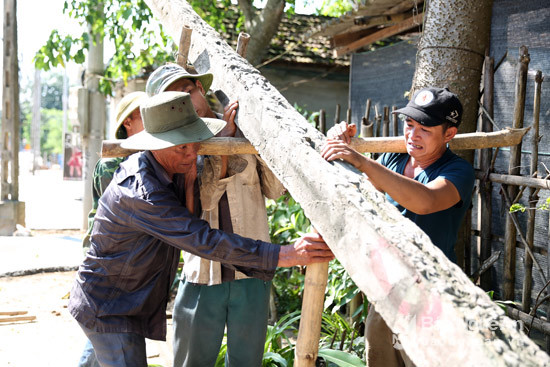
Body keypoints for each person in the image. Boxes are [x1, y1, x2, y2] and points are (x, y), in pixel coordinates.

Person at [69, 91, 333, 367]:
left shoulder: (165, 171)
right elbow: (201, 238)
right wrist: (287, 254)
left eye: (193, 143)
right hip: (110, 306)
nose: (191, 152)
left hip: (124, 300)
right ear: (155, 145)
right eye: (180, 147)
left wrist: (190, 177)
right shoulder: (142, 191)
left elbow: (189, 218)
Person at [321, 87, 475, 367]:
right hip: (387, 290)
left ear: (449, 134)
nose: (413, 135)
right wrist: (344, 147)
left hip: (431, 295)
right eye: (409, 124)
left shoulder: (457, 171)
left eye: (426, 129)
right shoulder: (393, 159)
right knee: (380, 359)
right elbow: (359, 194)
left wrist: (360, 159)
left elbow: (425, 201)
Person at [146, 63, 287, 367]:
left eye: (188, 91)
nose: (184, 102)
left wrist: (257, 139)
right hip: (202, 275)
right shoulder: (177, 151)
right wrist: (224, 144)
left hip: (251, 272)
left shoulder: (242, 129)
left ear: (201, 91)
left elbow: (275, 190)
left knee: (246, 362)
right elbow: (205, 201)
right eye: (173, 99)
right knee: (191, 361)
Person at [78, 91, 147, 367]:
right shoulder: (112, 164)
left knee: (106, 335)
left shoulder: (147, 158)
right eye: (146, 115)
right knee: (109, 332)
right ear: (128, 122)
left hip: (126, 267)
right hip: (108, 264)